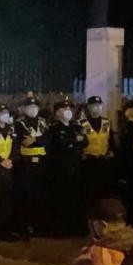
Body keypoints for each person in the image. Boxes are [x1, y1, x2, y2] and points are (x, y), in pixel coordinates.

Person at [46, 99, 86, 236]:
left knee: (76, 199)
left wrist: (73, 142)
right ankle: (62, 230)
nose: (68, 112)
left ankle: (76, 228)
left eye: (69, 109)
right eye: (64, 109)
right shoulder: (53, 129)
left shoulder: (76, 127)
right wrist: (75, 141)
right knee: (62, 199)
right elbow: (60, 145)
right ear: (57, 113)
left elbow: (85, 141)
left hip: (76, 167)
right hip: (60, 169)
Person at [14, 97, 50, 236]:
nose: (33, 109)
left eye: (35, 106)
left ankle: (40, 225)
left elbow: (48, 138)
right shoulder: (19, 124)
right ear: (23, 109)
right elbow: (22, 141)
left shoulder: (43, 123)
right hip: (26, 163)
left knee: (41, 195)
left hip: (42, 162)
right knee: (27, 195)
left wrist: (35, 140)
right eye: (29, 106)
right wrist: (39, 141)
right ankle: (25, 227)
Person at [0, 104, 18, 243]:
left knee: (7, 201)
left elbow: (15, 147)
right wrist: (1, 161)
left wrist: (11, 160)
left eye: (7, 112)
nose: (5, 114)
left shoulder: (11, 129)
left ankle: (6, 231)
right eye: (2, 112)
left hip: (8, 169)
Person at [79, 97, 114, 207]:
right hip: (88, 160)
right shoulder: (82, 124)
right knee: (89, 189)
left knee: (101, 188)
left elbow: (110, 139)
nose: (97, 107)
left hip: (103, 160)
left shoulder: (106, 122)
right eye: (94, 105)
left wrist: (111, 151)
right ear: (88, 107)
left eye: (99, 105)